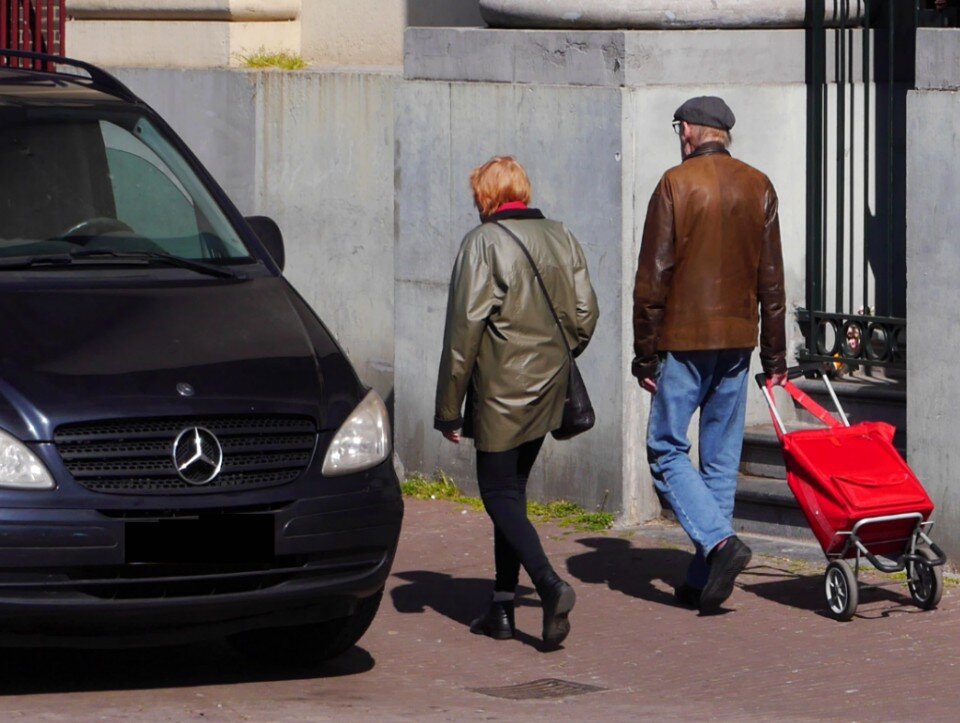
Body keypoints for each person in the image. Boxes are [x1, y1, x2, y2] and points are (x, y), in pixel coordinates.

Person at [434, 156, 599, 647]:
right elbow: (586, 314)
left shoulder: (482, 243)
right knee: (513, 495)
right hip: (548, 390)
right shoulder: (561, 235)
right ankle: (502, 608)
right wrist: (554, 354)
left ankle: (549, 585)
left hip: (500, 392)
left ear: (486, 197)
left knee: (497, 494)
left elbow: (463, 335)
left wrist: (448, 407)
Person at [632, 97, 787, 613]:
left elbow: (652, 278)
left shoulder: (675, 185)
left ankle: (719, 545)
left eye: (680, 127)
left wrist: (645, 353)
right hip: (739, 340)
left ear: (694, 131)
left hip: (685, 339)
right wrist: (776, 356)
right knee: (720, 460)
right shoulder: (758, 184)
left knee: (665, 450)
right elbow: (773, 281)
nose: (678, 136)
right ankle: (705, 579)